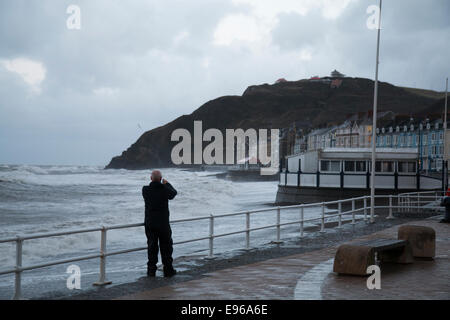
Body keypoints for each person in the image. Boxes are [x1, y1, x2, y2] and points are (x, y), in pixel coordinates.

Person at [142, 170, 178, 277]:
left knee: (152, 247)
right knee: (166, 247)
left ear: (151, 178)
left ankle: (151, 270)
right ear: (161, 178)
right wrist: (166, 183)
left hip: (150, 223)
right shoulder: (164, 189)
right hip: (163, 223)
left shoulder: (146, 189)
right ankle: (168, 270)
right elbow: (173, 193)